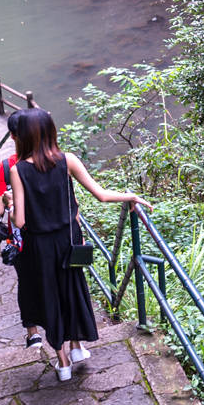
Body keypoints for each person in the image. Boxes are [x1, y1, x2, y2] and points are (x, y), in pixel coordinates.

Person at [8, 107, 147, 382]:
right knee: (71, 292)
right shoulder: (67, 160)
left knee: (49, 297)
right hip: (68, 241)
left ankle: (62, 365)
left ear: (22, 136)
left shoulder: (18, 170)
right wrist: (130, 196)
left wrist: (11, 206)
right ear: (50, 132)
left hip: (40, 247)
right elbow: (101, 195)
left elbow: (20, 221)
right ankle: (77, 349)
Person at [0, 113, 45, 351]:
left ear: (12, 136)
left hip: (18, 239)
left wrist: (0, 197)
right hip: (46, 231)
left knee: (27, 282)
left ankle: (33, 334)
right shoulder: (48, 160)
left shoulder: (5, 167)